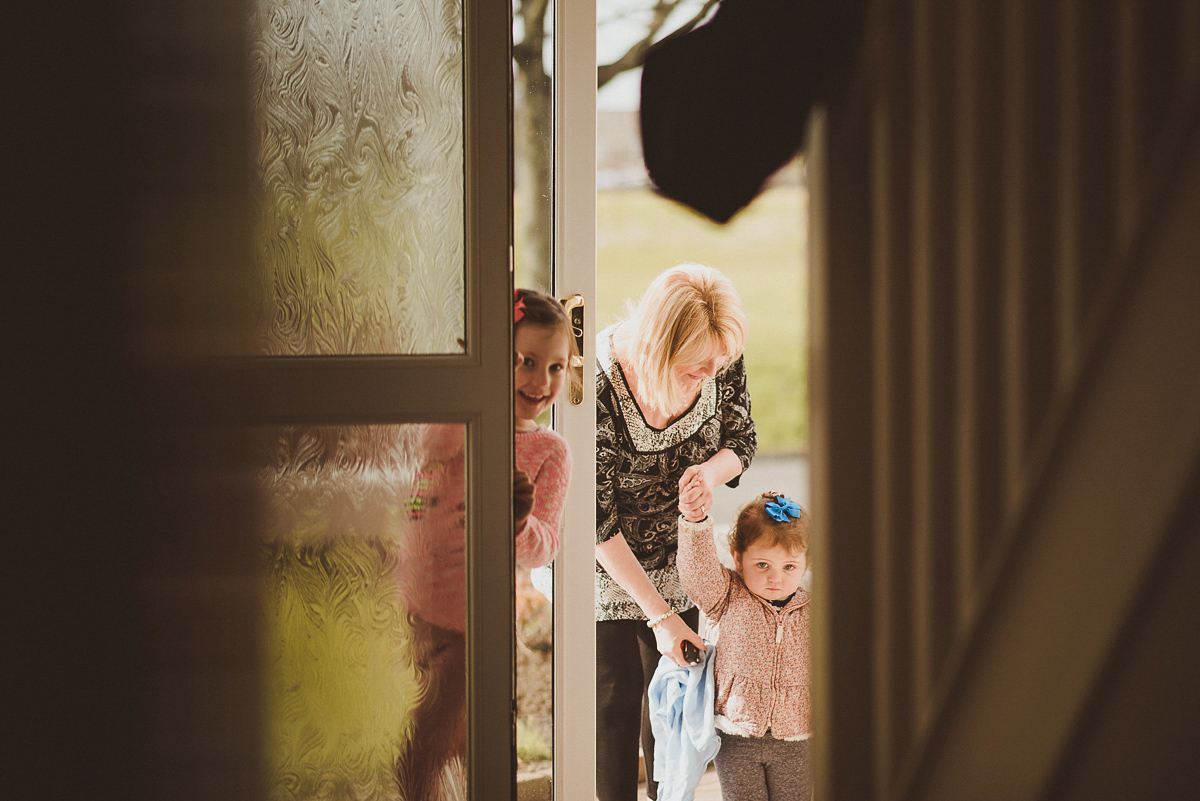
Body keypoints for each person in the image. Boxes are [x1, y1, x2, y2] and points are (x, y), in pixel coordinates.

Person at [396, 289, 574, 801]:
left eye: (557, 367)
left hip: (472, 620)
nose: (541, 381)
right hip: (409, 604)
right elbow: (413, 491)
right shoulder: (457, 425)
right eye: (526, 361)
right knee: (432, 736)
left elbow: (544, 548)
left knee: (443, 741)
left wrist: (516, 523)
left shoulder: (548, 451)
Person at [595, 263, 756, 801]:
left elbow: (742, 439)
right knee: (615, 702)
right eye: (695, 369)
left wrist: (710, 475)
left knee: (671, 700)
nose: (710, 374)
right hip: (609, 564)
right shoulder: (597, 389)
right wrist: (658, 615)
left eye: (718, 363)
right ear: (659, 350)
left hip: (680, 556)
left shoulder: (716, 354)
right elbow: (598, 522)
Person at [676, 492, 812, 801]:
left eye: (789, 567)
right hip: (736, 735)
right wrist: (695, 522)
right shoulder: (726, 596)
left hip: (797, 737)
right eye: (762, 564)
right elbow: (697, 572)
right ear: (737, 558)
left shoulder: (814, 608)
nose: (775, 578)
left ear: (805, 563)